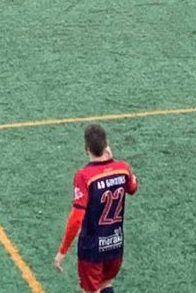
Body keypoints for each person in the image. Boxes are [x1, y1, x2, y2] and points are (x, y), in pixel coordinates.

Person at [54, 123, 138, 293]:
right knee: (106, 283)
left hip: (92, 249)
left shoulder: (84, 176)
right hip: (115, 244)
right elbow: (133, 187)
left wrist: (62, 251)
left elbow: (76, 218)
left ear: (86, 148)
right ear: (107, 145)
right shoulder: (123, 168)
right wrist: (113, 161)